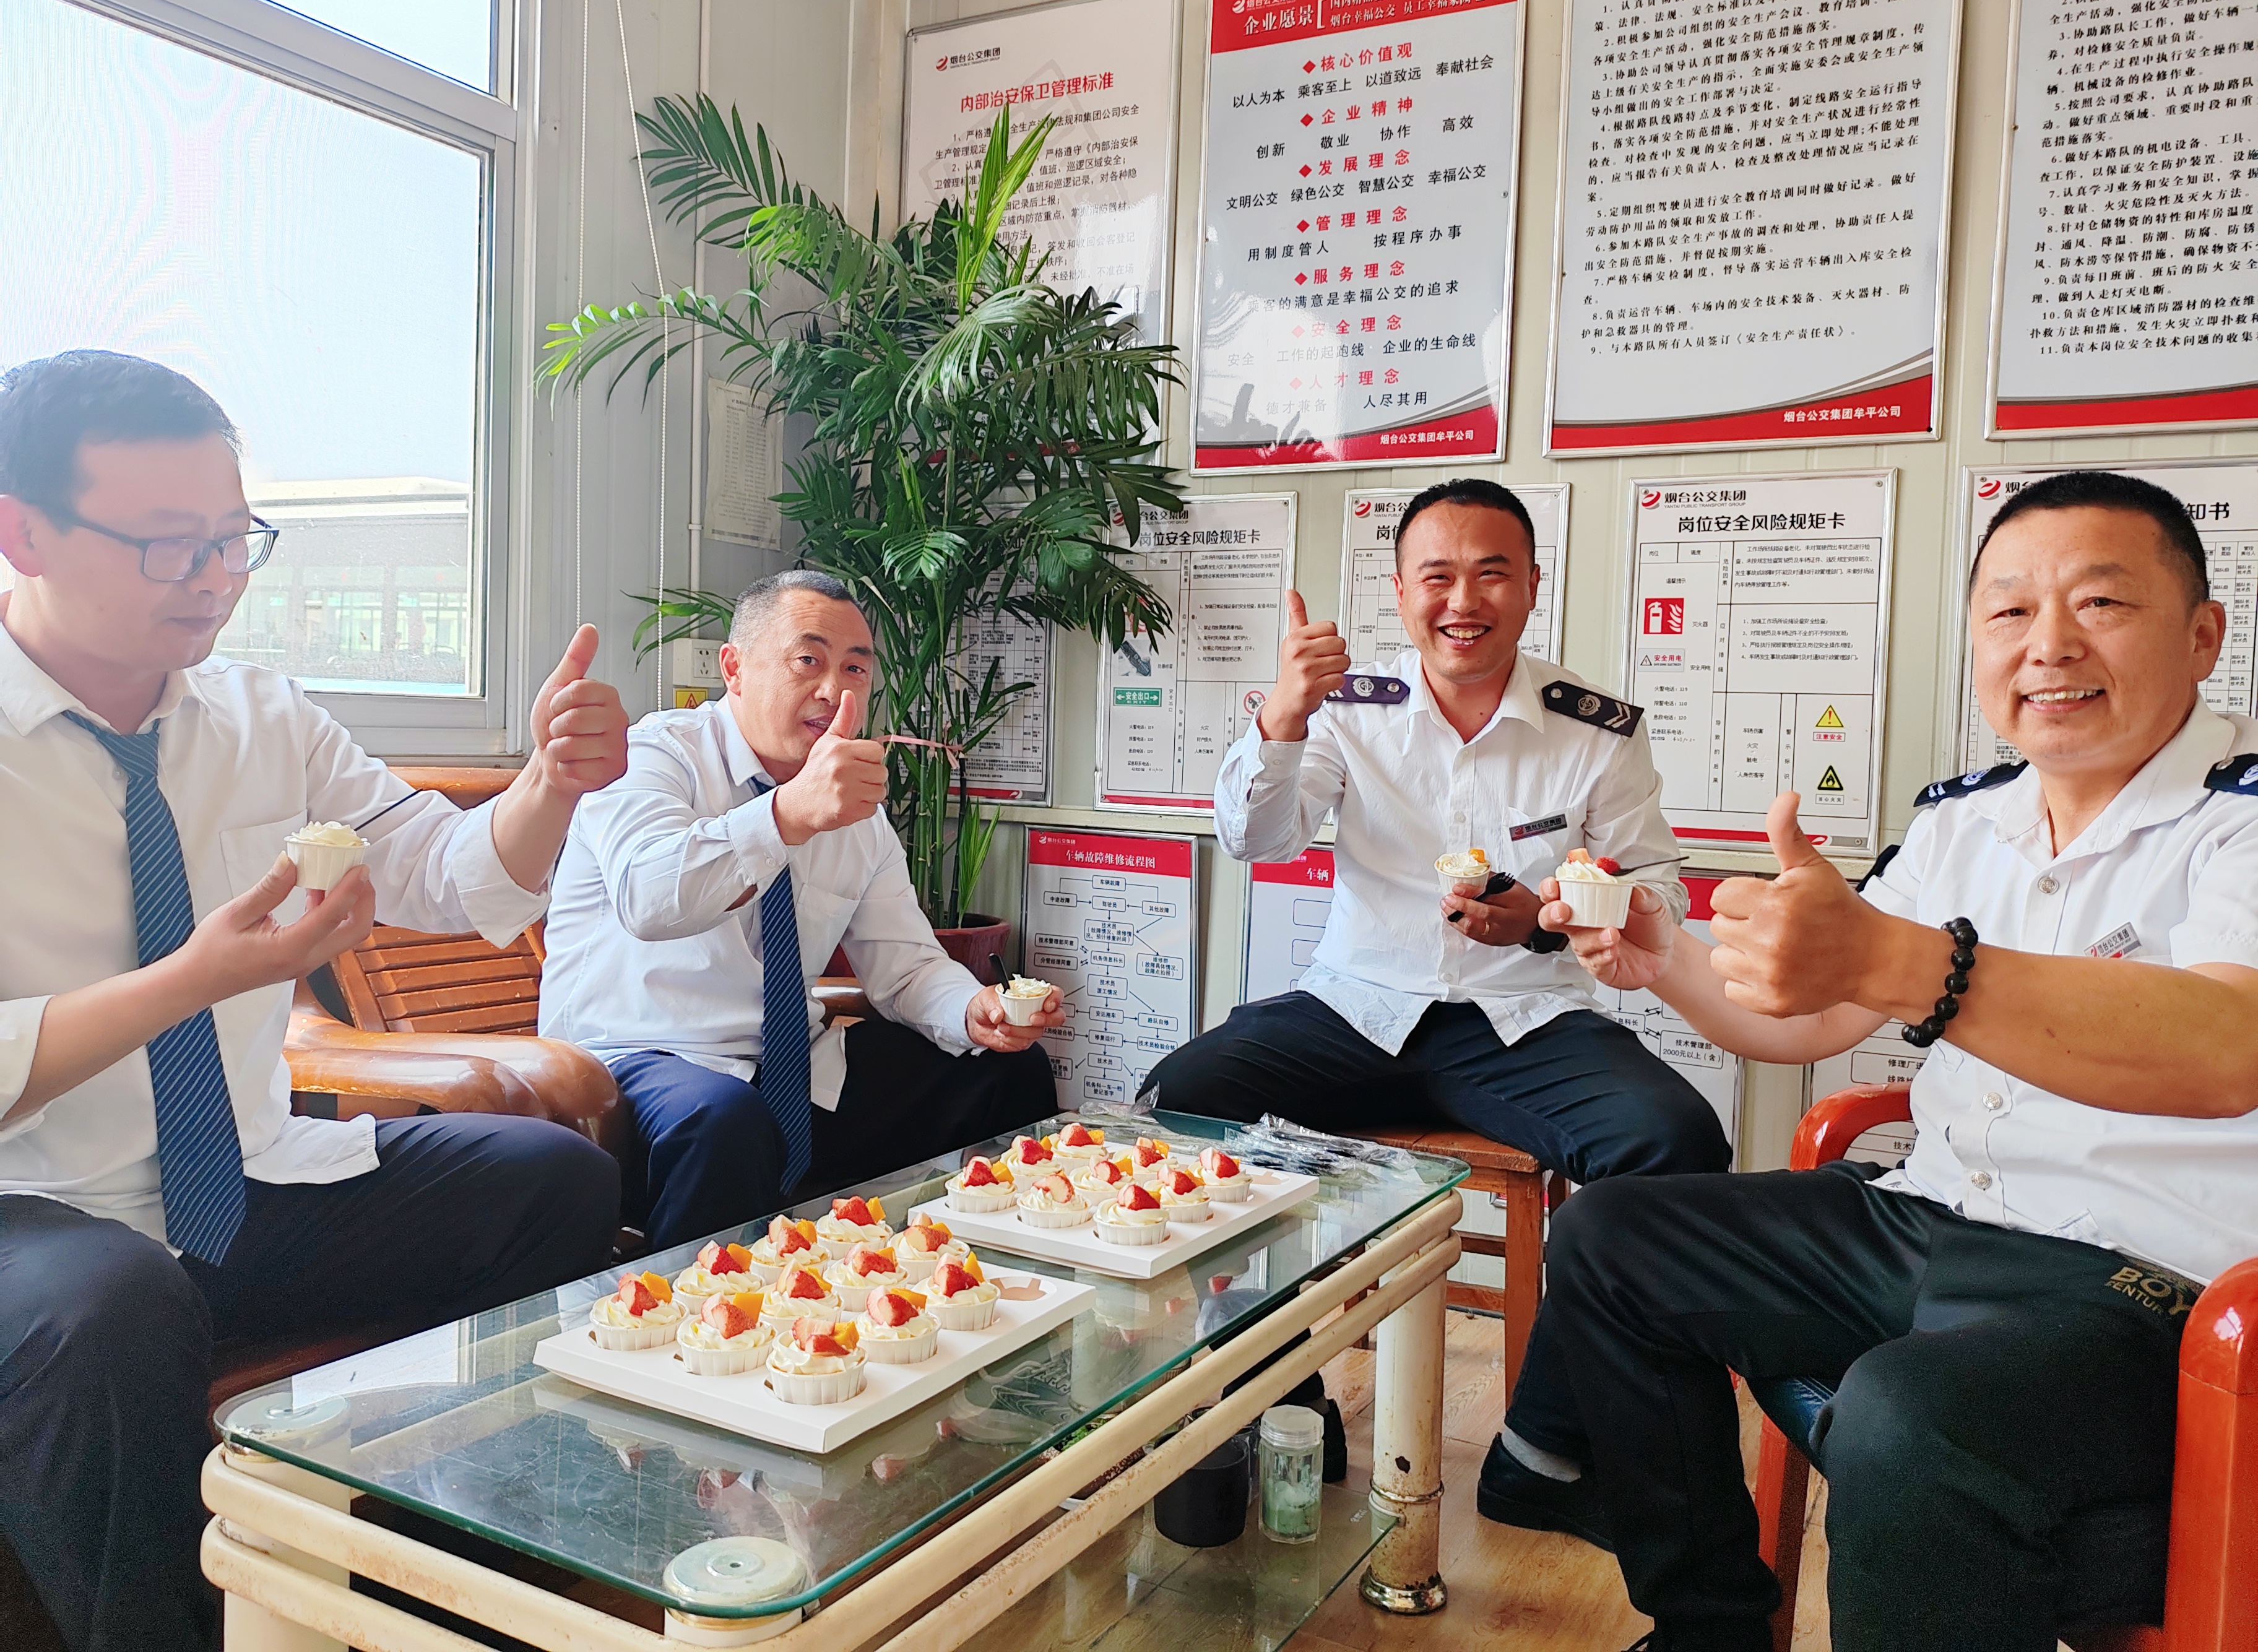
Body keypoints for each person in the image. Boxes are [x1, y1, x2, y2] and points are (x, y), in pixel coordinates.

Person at [1532, 470, 2258, 1652]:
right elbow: (1809, 1020)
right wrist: (1664, 958)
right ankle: (1711, 1625)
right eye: (2008, 610)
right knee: (1610, 1237)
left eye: (2099, 603)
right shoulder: (1961, 817)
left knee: (1905, 1417)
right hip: (1927, 1218)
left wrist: (1908, 962)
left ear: (2201, 635)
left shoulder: (2243, 813)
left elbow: (2228, 1046)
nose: (2048, 644)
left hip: (2149, 1287)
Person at [0, 351, 633, 1652]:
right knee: (113, 1304)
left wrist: (547, 786)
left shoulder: (262, 716)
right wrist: (192, 982)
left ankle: (429, 1593)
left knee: (558, 1183)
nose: (215, 578)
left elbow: (448, 872)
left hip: (243, 1179)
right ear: (24, 533)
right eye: (168, 545)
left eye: (235, 539)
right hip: (38, 1215)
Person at [1144, 477, 1732, 1542]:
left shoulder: (1594, 730)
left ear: (1533, 585)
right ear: (1400, 590)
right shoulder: (1345, 708)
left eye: (1491, 573)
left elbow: (1657, 887)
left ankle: (1540, 1452)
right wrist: (1281, 716)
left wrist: (1547, 918)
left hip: (1524, 1018)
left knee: (1675, 1142)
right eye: (1438, 576)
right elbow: (1257, 838)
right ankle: (1283, 1400)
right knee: (1183, 1096)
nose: (1464, 600)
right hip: (1355, 1007)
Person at [538, 568, 1063, 1250]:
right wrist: (787, 816)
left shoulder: (855, 810)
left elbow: (905, 966)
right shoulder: (650, 758)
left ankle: (980, 1276)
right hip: (633, 1061)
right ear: (734, 668)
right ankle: (700, 1309)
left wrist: (974, 1010)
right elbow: (649, 898)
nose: (834, 690)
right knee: (727, 1119)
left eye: (855, 668)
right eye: (808, 661)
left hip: (787, 1068)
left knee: (1004, 1071)